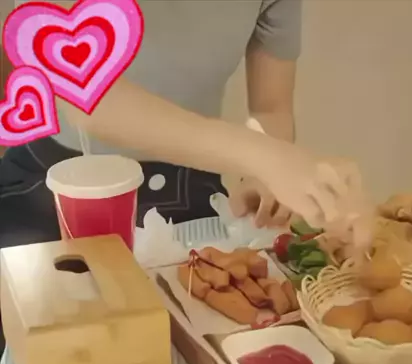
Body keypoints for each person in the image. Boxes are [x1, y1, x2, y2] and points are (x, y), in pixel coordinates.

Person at [0, 0, 371, 250]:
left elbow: (270, 108)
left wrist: (262, 177)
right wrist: (266, 157)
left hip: (188, 187)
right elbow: (89, 99)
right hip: (51, 184)